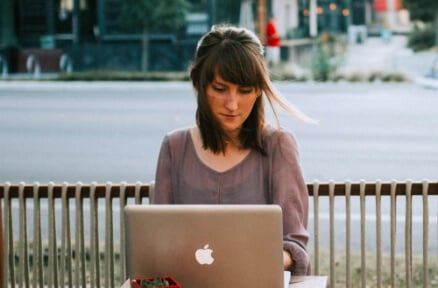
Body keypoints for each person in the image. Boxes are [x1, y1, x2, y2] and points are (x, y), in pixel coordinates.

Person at [153, 24, 312, 275]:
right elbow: (157, 239)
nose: (232, 104)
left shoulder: (278, 145)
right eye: (220, 89)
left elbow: (294, 245)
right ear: (198, 84)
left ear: (258, 90)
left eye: (245, 90)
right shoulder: (174, 147)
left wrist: (253, 261)